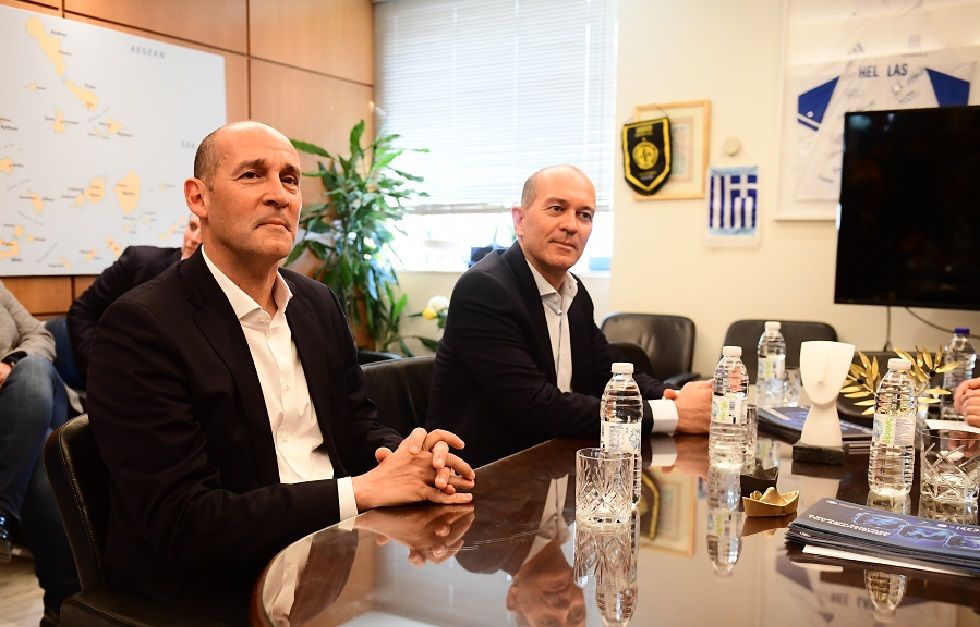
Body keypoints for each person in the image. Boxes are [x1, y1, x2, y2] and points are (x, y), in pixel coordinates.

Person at [85, 121, 475, 607]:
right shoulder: (142, 325)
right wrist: (363, 491)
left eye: (290, 179)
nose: (279, 195)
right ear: (198, 198)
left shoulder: (317, 303)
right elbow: (185, 523)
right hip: (215, 589)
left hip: (331, 562)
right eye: (252, 175)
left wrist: (406, 459)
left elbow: (357, 425)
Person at [427, 165, 711, 468]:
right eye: (557, 209)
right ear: (519, 220)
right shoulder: (484, 289)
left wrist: (677, 397)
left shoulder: (574, 292)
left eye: (584, 215)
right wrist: (672, 414)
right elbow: (538, 407)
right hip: (485, 474)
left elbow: (608, 373)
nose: (571, 226)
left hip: (554, 463)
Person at [0, 280, 80, 623]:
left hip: (37, 395)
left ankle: (1, 514)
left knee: (33, 368)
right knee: (45, 455)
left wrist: (11, 363)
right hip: (13, 426)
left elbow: (40, 335)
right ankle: (63, 605)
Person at [67, 213, 203, 381]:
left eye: (204, 232)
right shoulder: (140, 262)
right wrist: (98, 368)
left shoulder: (224, 286)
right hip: (120, 378)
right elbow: (82, 312)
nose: (194, 239)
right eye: (192, 227)